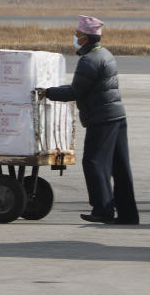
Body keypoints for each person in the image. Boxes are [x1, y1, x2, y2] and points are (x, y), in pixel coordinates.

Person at [37, 15, 139, 225]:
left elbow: (75, 91)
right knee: (120, 167)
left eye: (77, 34)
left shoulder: (90, 60)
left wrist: (48, 92)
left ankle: (103, 209)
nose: (75, 37)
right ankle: (129, 214)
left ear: (85, 38)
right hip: (116, 117)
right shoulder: (105, 54)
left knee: (93, 162)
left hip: (102, 119)